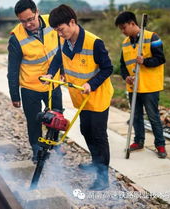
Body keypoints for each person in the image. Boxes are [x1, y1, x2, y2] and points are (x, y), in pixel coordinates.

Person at [44, 4, 114, 190]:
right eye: (57, 31)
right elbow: (58, 58)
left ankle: (102, 178)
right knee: (86, 130)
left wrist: (91, 83)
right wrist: (51, 73)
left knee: (98, 136)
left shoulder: (94, 42)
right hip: (81, 99)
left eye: (61, 29)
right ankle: (95, 162)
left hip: (97, 97)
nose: (60, 33)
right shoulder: (64, 42)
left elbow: (108, 68)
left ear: (72, 22)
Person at [7, 0, 63, 163]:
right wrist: (14, 95)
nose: (28, 24)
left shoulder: (52, 24)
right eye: (23, 21)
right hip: (30, 87)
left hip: (53, 84)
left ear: (37, 12)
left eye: (30, 19)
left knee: (57, 116)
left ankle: (54, 144)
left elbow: (61, 50)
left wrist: (63, 72)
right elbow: (12, 69)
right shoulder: (16, 37)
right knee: (33, 121)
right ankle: (37, 149)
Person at [115, 11, 167, 158]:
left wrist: (145, 61)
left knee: (153, 116)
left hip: (150, 86)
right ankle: (139, 141)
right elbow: (122, 65)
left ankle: (160, 145)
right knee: (135, 116)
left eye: (124, 27)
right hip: (133, 87)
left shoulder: (152, 37)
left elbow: (161, 59)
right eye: (121, 29)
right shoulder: (125, 43)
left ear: (133, 23)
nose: (123, 31)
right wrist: (126, 77)